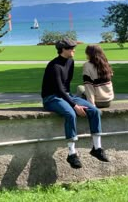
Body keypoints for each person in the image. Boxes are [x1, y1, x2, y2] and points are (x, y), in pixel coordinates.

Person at [41, 38, 109, 169]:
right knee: (70, 114)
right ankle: (72, 154)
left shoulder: (70, 62)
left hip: (66, 95)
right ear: (63, 50)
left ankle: (97, 148)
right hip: (51, 98)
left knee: (94, 111)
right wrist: (74, 105)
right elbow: (59, 89)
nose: (74, 50)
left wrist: (73, 101)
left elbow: (66, 88)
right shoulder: (54, 66)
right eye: (71, 48)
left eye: (73, 47)